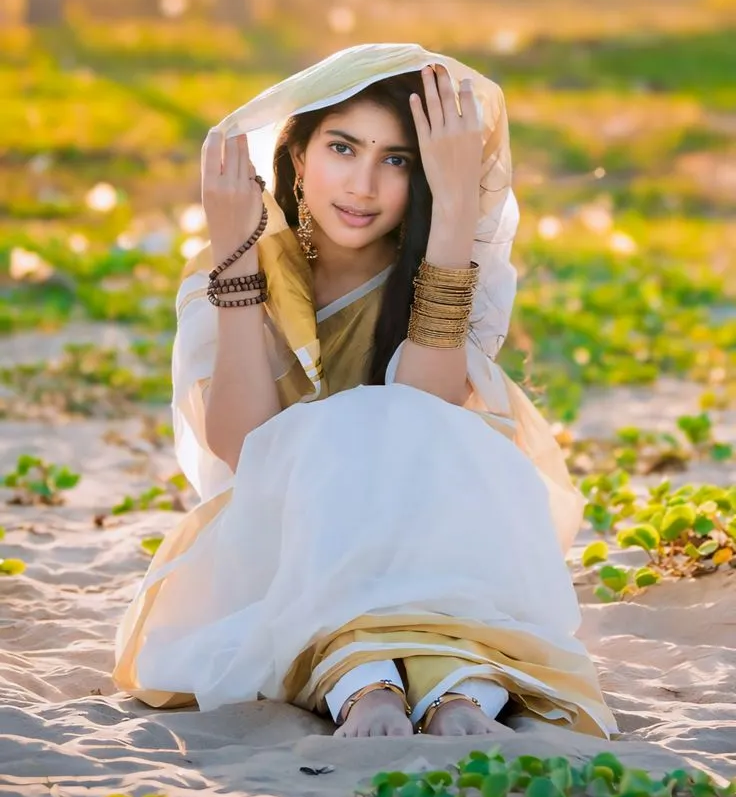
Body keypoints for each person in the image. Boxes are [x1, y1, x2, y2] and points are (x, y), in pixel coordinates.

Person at [113, 43, 616, 740]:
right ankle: (364, 680)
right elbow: (243, 446)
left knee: (404, 424)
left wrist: (456, 205)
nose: (364, 185)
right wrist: (234, 259)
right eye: (343, 149)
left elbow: (423, 412)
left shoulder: (449, 268)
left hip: (429, 539)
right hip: (290, 540)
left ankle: (456, 690)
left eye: (397, 160)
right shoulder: (239, 269)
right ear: (297, 159)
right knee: (330, 433)